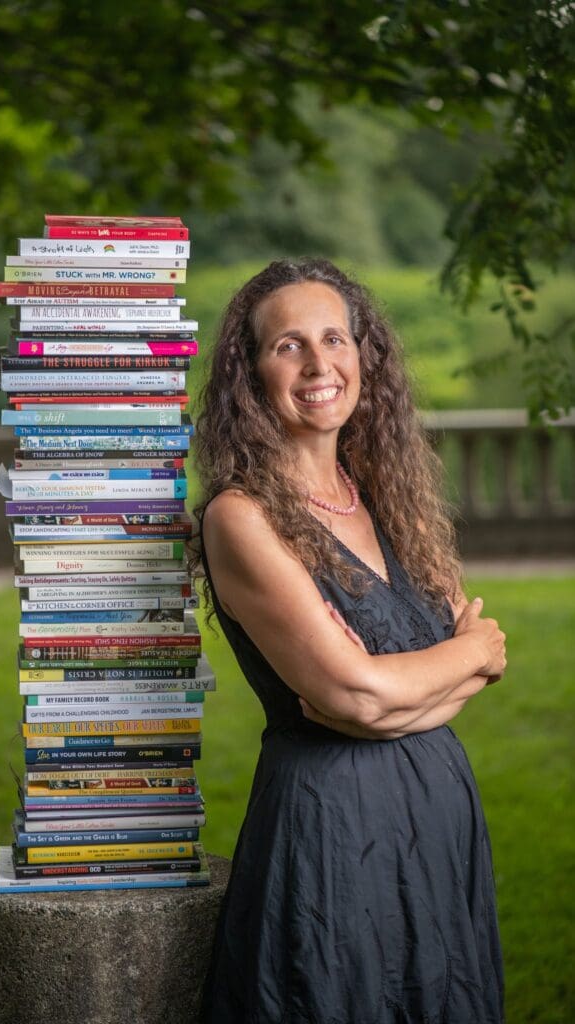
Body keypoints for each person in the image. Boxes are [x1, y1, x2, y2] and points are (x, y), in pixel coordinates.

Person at [193, 258, 506, 1024]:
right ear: (250, 374)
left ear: (364, 356)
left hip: (436, 823)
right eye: (287, 345)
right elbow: (360, 693)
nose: (318, 362)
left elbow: (370, 696)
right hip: (331, 833)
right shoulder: (241, 518)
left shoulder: (385, 497)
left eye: (335, 337)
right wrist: (470, 656)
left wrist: (392, 690)